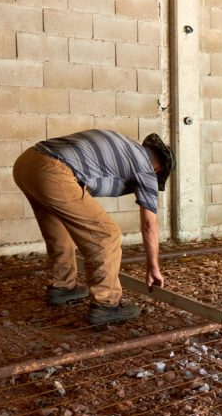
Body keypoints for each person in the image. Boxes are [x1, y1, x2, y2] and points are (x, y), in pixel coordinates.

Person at [13, 129, 175, 325]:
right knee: (106, 234)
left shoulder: (124, 146)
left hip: (27, 163)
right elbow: (150, 224)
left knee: (58, 227)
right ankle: (106, 304)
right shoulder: (146, 169)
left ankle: (62, 287)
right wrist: (153, 266)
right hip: (54, 170)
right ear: (159, 169)